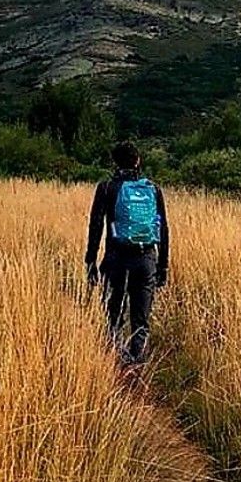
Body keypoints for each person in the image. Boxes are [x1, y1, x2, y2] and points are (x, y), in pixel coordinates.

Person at [86, 140, 169, 364]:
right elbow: (163, 228)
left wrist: (91, 260)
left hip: (116, 258)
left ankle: (117, 362)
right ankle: (138, 364)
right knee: (140, 318)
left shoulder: (106, 188)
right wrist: (163, 266)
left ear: (114, 162)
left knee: (113, 313)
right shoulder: (153, 188)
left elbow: (96, 226)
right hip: (146, 258)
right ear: (138, 161)